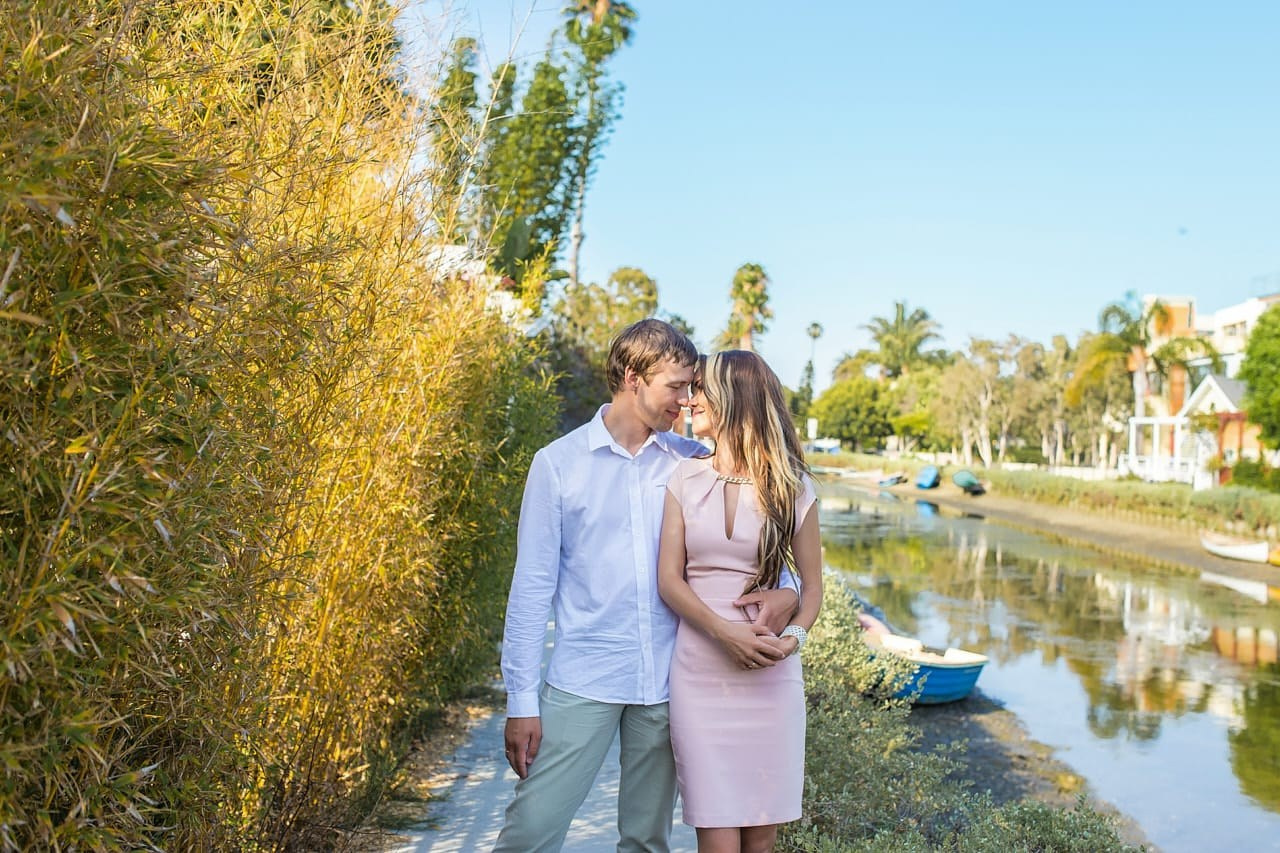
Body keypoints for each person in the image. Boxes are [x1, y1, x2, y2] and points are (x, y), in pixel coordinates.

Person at [494, 320, 801, 853]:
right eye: (676, 386)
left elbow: (761, 543)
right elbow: (530, 589)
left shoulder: (691, 462)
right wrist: (521, 700)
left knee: (646, 841)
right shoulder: (558, 464)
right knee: (531, 831)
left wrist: (791, 590)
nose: (686, 401)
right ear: (634, 378)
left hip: (669, 682)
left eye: (691, 388)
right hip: (584, 677)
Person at [657, 350, 824, 853]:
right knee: (717, 835)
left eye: (702, 389)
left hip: (769, 677)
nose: (690, 399)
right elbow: (670, 579)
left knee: (761, 836)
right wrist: (723, 631)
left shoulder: (794, 487)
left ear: (736, 398)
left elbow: (812, 588)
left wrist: (791, 640)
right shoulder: (683, 477)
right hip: (699, 674)